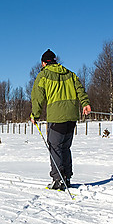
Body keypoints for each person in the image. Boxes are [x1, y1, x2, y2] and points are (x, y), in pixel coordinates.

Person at [30, 49, 91, 190]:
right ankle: (67, 177)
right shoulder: (69, 74)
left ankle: (58, 180)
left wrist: (35, 114)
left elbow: (37, 97)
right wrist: (85, 103)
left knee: (55, 148)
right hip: (71, 117)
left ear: (44, 63)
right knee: (65, 148)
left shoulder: (43, 75)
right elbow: (80, 89)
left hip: (56, 117)